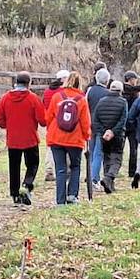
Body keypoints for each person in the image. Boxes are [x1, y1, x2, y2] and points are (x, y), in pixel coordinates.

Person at [0, 72, 45, 207]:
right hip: (30, 138)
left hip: (13, 138)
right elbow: (43, 120)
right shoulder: (33, 98)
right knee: (33, 164)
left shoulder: (5, 98)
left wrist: (7, 125)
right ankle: (27, 184)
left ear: (16, 82)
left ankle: (15, 194)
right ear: (29, 83)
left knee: (14, 166)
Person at [43, 71, 90, 205]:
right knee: (75, 166)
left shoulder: (57, 96)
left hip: (56, 138)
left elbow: (48, 117)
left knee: (60, 169)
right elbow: (85, 121)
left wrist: (51, 131)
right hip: (75, 139)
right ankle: (72, 195)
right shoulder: (82, 99)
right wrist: (87, 136)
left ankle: (60, 200)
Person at [96, 79, 129, 193]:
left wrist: (104, 131)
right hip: (118, 135)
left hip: (104, 136)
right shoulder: (123, 102)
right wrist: (113, 132)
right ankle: (108, 178)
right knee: (116, 160)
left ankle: (109, 185)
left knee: (107, 158)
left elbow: (96, 119)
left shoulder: (101, 101)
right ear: (121, 91)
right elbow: (123, 120)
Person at [86, 66, 112, 187]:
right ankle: (94, 178)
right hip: (101, 125)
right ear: (107, 81)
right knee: (98, 153)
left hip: (90, 124)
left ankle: (89, 174)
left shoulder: (90, 90)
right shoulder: (108, 93)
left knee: (91, 152)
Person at [40, 70, 68, 183]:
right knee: (63, 147)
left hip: (50, 122)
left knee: (50, 147)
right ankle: (63, 170)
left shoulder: (47, 92)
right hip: (63, 122)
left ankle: (49, 170)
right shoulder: (64, 92)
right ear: (63, 79)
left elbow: (44, 105)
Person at [121, 71, 140, 179]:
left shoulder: (121, 90)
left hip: (122, 123)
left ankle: (115, 168)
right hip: (133, 124)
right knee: (133, 149)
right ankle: (131, 171)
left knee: (119, 148)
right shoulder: (134, 93)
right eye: (135, 79)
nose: (136, 81)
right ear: (130, 79)